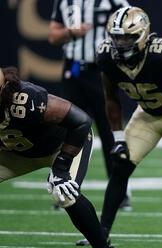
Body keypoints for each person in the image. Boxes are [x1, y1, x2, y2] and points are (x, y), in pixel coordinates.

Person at [76, 6, 162, 248]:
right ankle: (101, 231)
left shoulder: (160, 54)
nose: (121, 43)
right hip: (146, 115)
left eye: (128, 37)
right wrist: (118, 138)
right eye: (116, 37)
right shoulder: (107, 56)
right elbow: (111, 98)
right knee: (120, 167)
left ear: (142, 35)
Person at [0, 66, 121, 248]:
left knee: (64, 193)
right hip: (19, 151)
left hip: (64, 145)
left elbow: (81, 122)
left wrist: (63, 165)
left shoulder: (27, 99)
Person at [48, 0, 132, 210]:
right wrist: (71, 32)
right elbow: (53, 35)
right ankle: (63, 185)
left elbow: (133, 25)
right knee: (68, 130)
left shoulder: (113, 1)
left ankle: (120, 191)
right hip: (73, 70)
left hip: (101, 70)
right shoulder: (64, 1)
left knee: (110, 131)